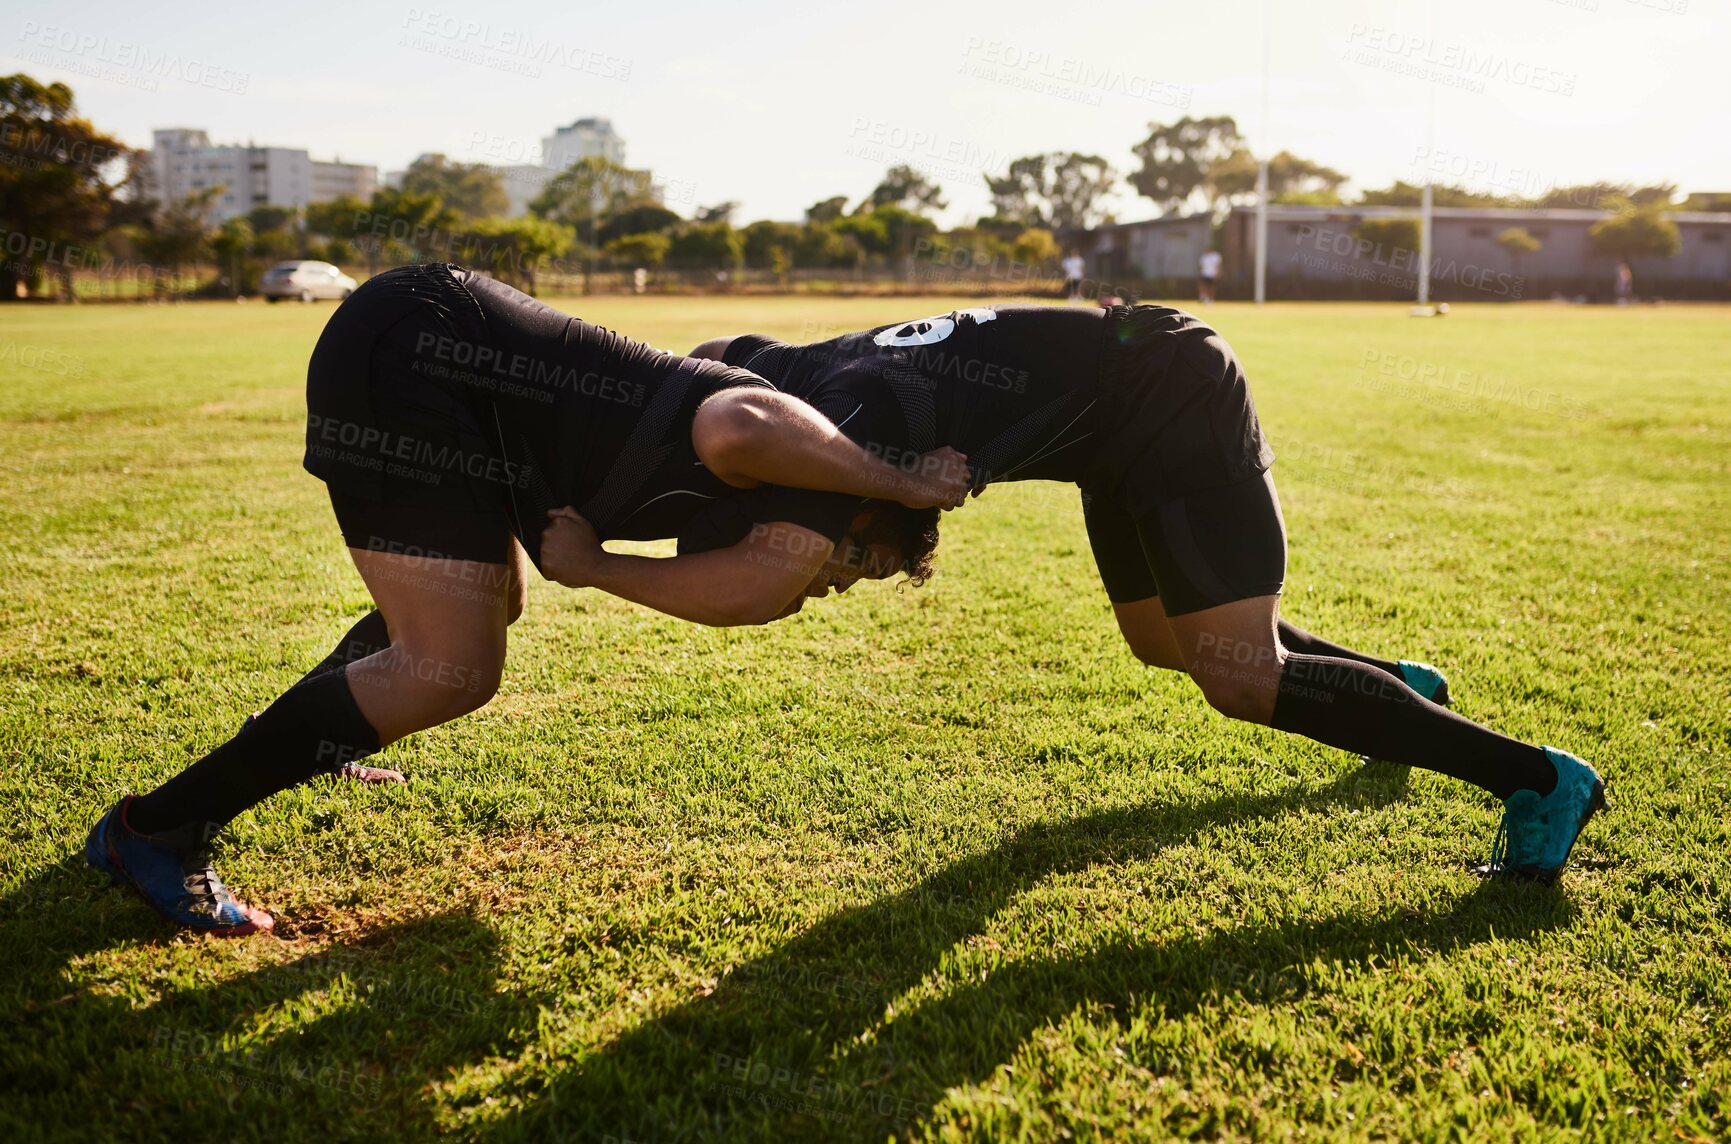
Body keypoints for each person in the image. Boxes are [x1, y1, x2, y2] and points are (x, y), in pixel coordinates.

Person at [85, 263, 969, 935]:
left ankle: (325, 730)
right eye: (859, 554)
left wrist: (601, 559)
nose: (839, 578)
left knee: (480, 609)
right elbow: (739, 414)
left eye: (859, 580)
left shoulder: (764, 503)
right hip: (416, 350)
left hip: (447, 380)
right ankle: (154, 828)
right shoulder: (784, 451)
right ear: (848, 503)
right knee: (457, 667)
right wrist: (898, 477)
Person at [673, 304, 1607, 883]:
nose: (847, 578)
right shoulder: (791, 381)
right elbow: (707, 356)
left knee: (1237, 677)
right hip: (1114, 431)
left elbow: (755, 499)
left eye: (846, 565)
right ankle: (1399, 687)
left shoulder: (850, 424)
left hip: (1166, 388)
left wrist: (596, 561)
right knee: (1164, 637)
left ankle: (1537, 779)